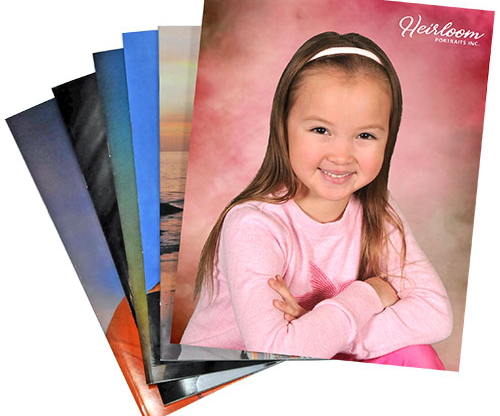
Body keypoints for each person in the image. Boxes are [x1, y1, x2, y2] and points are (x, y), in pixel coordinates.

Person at [180, 32, 453, 368]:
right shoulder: (253, 225)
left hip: (308, 362)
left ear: (388, 140)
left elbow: (435, 313)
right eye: (321, 130)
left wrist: (326, 330)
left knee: (415, 355)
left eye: (365, 135)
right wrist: (371, 294)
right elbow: (275, 350)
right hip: (222, 379)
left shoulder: (378, 212)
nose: (341, 155)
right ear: (283, 127)